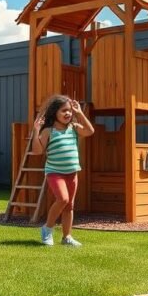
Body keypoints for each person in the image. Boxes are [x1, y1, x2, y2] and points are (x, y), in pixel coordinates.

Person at [32, 95, 95, 246]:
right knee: (63, 199)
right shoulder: (48, 131)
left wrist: (79, 113)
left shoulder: (74, 127)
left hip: (72, 172)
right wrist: (36, 131)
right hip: (55, 172)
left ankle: (67, 237)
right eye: (64, 111)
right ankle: (47, 229)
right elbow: (37, 151)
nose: (68, 113)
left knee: (69, 206)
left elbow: (90, 131)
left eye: (69, 111)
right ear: (55, 113)